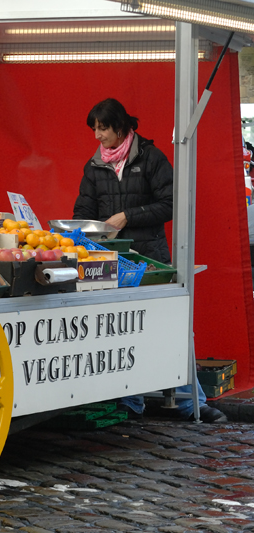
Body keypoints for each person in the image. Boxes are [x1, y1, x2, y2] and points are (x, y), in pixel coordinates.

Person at [73, 98, 226, 423]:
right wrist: (81, 229)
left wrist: (128, 216)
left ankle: (190, 402)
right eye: (94, 129)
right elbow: (83, 211)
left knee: (168, 328)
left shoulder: (152, 158)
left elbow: (171, 203)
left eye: (103, 128)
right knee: (122, 332)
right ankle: (131, 402)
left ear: (121, 126)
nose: (98, 136)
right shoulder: (94, 167)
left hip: (151, 262)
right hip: (110, 264)